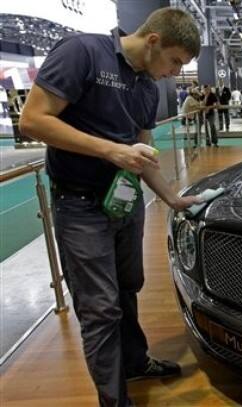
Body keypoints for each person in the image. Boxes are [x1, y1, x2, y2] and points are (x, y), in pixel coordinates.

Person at [18, 8, 201, 407]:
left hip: (125, 203)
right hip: (79, 205)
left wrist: (171, 198)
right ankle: (114, 402)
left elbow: (145, 151)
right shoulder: (82, 52)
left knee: (128, 289)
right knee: (100, 309)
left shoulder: (148, 87)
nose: (174, 73)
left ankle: (135, 362)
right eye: (174, 61)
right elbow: (32, 120)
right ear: (153, 40)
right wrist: (112, 151)